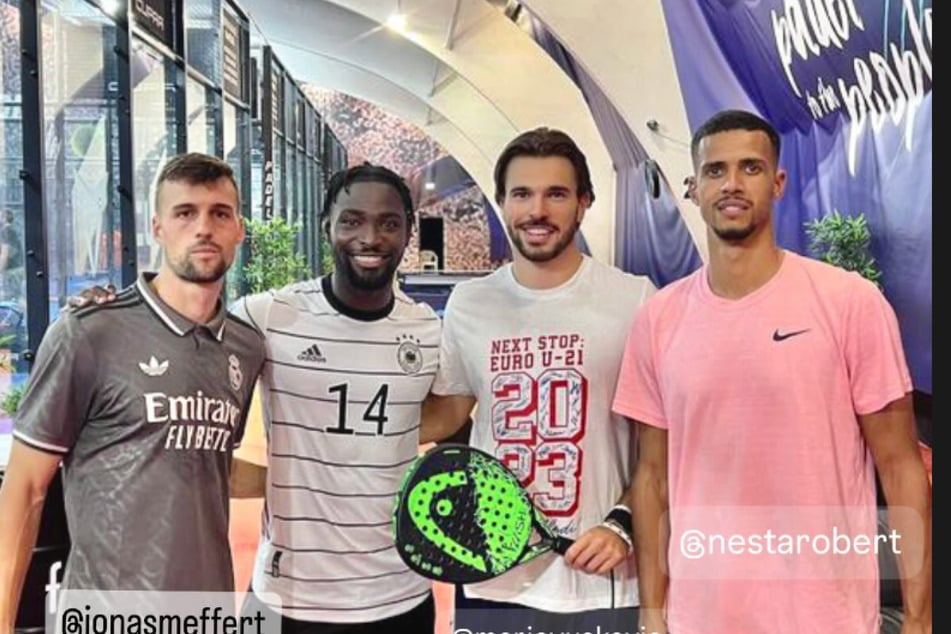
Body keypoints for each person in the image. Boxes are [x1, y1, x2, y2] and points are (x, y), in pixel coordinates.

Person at [612, 109, 932, 634]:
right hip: (703, 617)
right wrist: (653, 613)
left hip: (827, 617)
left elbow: (900, 467)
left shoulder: (849, 302)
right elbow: (652, 479)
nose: (732, 184)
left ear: (778, 182)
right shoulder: (659, 318)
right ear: (693, 188)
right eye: (715, 171)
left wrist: (919, 618)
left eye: (750, 168)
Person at [0, 153, 266, 627]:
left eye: (219, 213)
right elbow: (24, 486)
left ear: (239, 229)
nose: (203, 227)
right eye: (185, 213)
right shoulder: (89, 333)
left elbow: (207, 460)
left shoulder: (246, 348)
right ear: (158, 228)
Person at [420, 128, 654, 629]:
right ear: (502, 201)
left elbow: (663, 443)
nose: (537, 210)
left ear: (584, 203)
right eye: (522, 194)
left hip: (599, 579)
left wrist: (624, 525)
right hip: (490, 570)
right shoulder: (470, 303)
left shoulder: (634, 300)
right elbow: (450, 413)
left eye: (557, 194)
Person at [233, 163, 441, 633]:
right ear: (326, 226)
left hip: (399, 596)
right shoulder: (266, 315)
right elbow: (180, 340)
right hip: (285, 598)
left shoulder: (428, 329)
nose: (370, 237)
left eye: (389, 223)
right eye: (352, 221)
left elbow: (446, 416)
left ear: (409, 233)